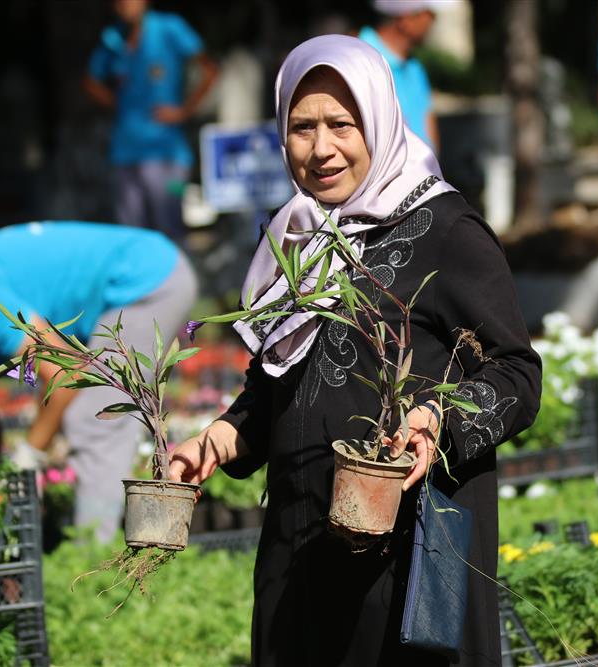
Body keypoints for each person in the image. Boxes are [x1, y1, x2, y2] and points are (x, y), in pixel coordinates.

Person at [168, 35, 541, 667]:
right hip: (302, 544)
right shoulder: (297, 236)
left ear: (377, 119)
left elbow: (516, 373)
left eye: (342, 124)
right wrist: (221, 439)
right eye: (301, 126)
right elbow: (277, 387)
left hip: (413, 544)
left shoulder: (446, 229)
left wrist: (436, 421)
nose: (321, 149)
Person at [0, 222, 197, 543]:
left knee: (95, 417)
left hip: (145, 280)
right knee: (83, 415)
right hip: (130, 285)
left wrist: (29, 456)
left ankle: (92, 561)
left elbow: (65, 375)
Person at [84, 0, 218, 239]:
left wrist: (185, 110)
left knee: (171, 231)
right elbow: (91, 82)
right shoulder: (113, 37)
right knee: (129, 236)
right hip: (124, 153)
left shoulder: (170, 27)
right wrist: (121, 104)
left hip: (168, 153)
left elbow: (209, 70)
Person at [358, 0, 443, 150]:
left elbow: (428, 126)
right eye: (429, 12)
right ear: (406, 18)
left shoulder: (415, 67)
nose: (434, 19)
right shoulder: (358, 58)